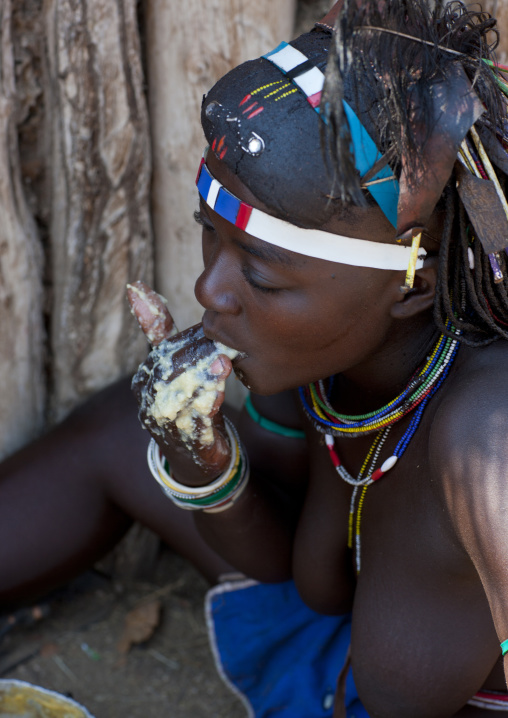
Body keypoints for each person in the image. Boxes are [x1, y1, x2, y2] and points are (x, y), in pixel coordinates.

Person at [2, 0, 508, 715]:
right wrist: (203, 461)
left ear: (411, 286)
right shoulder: (332, 368)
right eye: (210, 233)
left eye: (262, 275)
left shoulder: (489, 447)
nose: (210, 288)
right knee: (127, 430)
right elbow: (298, 577)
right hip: (335, 663)